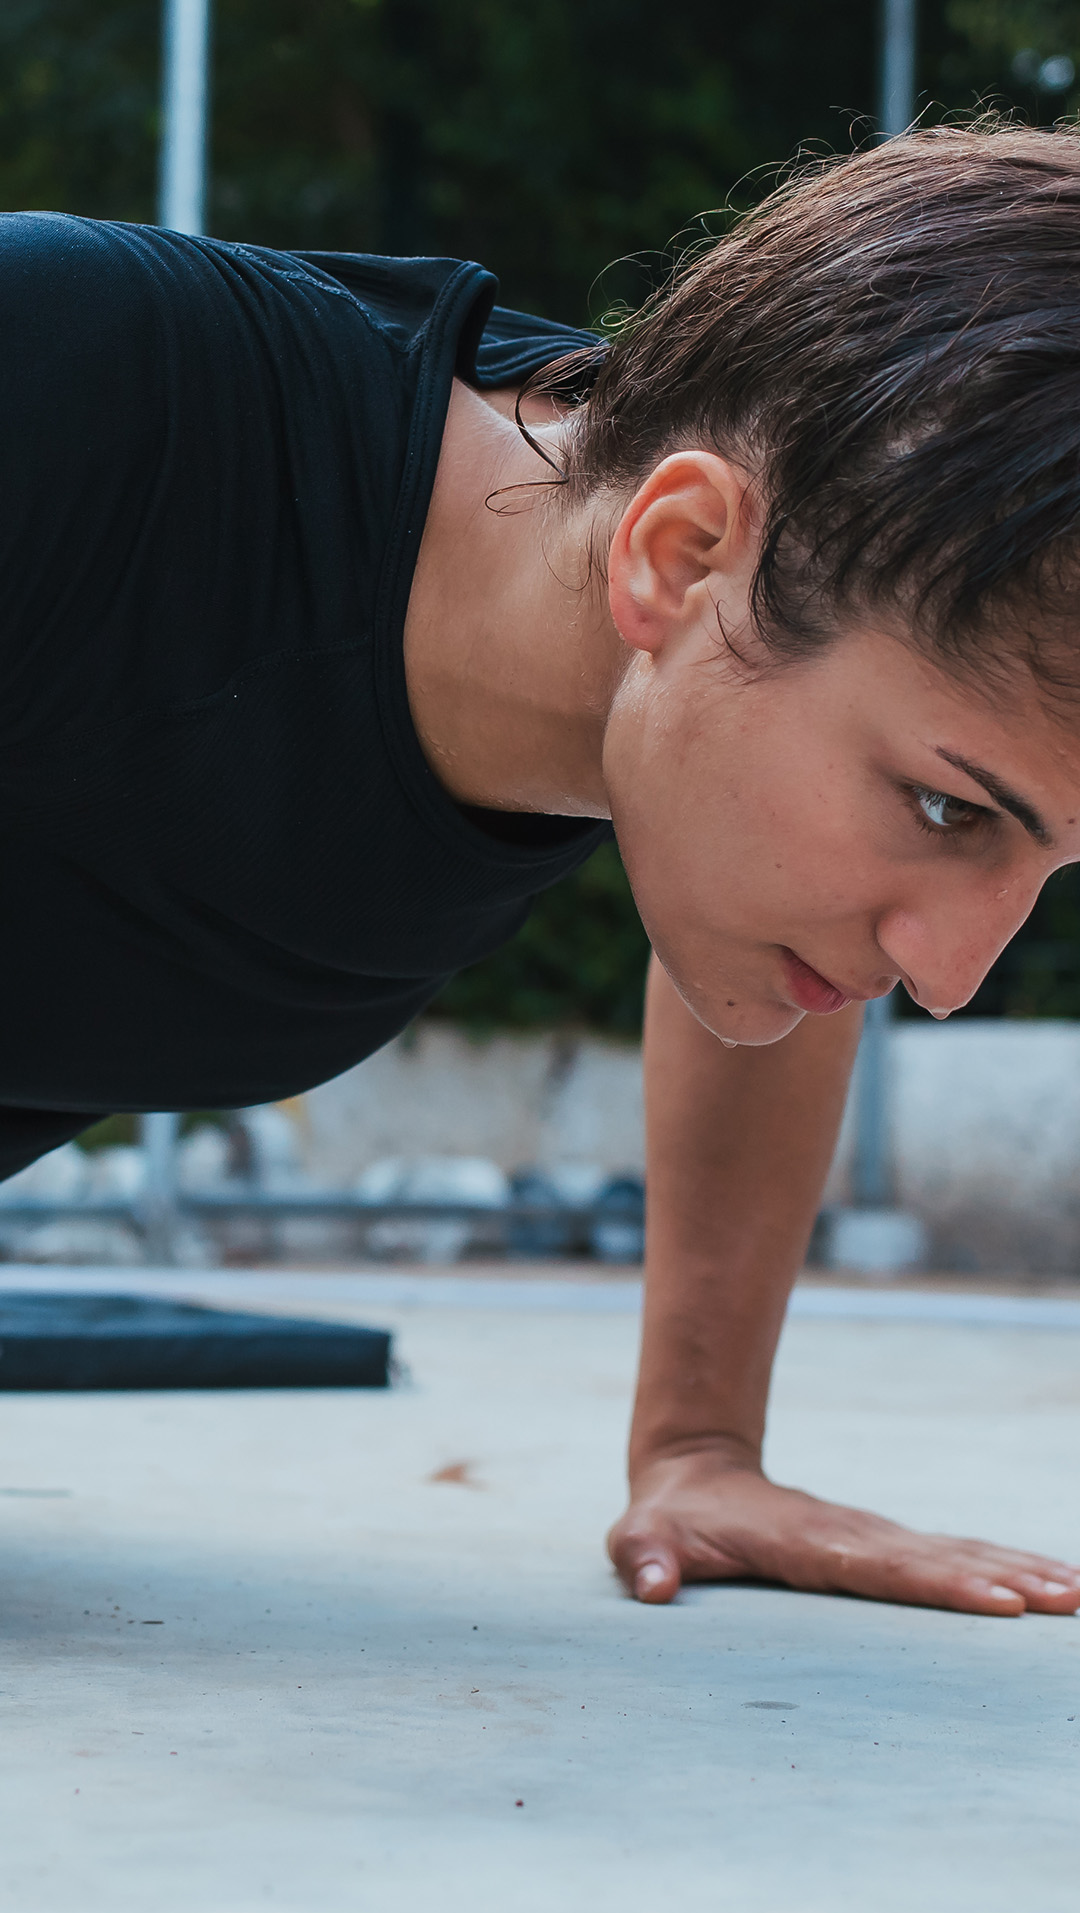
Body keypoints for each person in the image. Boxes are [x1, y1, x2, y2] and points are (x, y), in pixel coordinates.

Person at [3, 121, 1079, 1618]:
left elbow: (789, 960)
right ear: (682, 552)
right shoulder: (79, 383)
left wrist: (702, 1448)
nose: (951, 974)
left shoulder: (702, 689)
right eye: (952, 810)